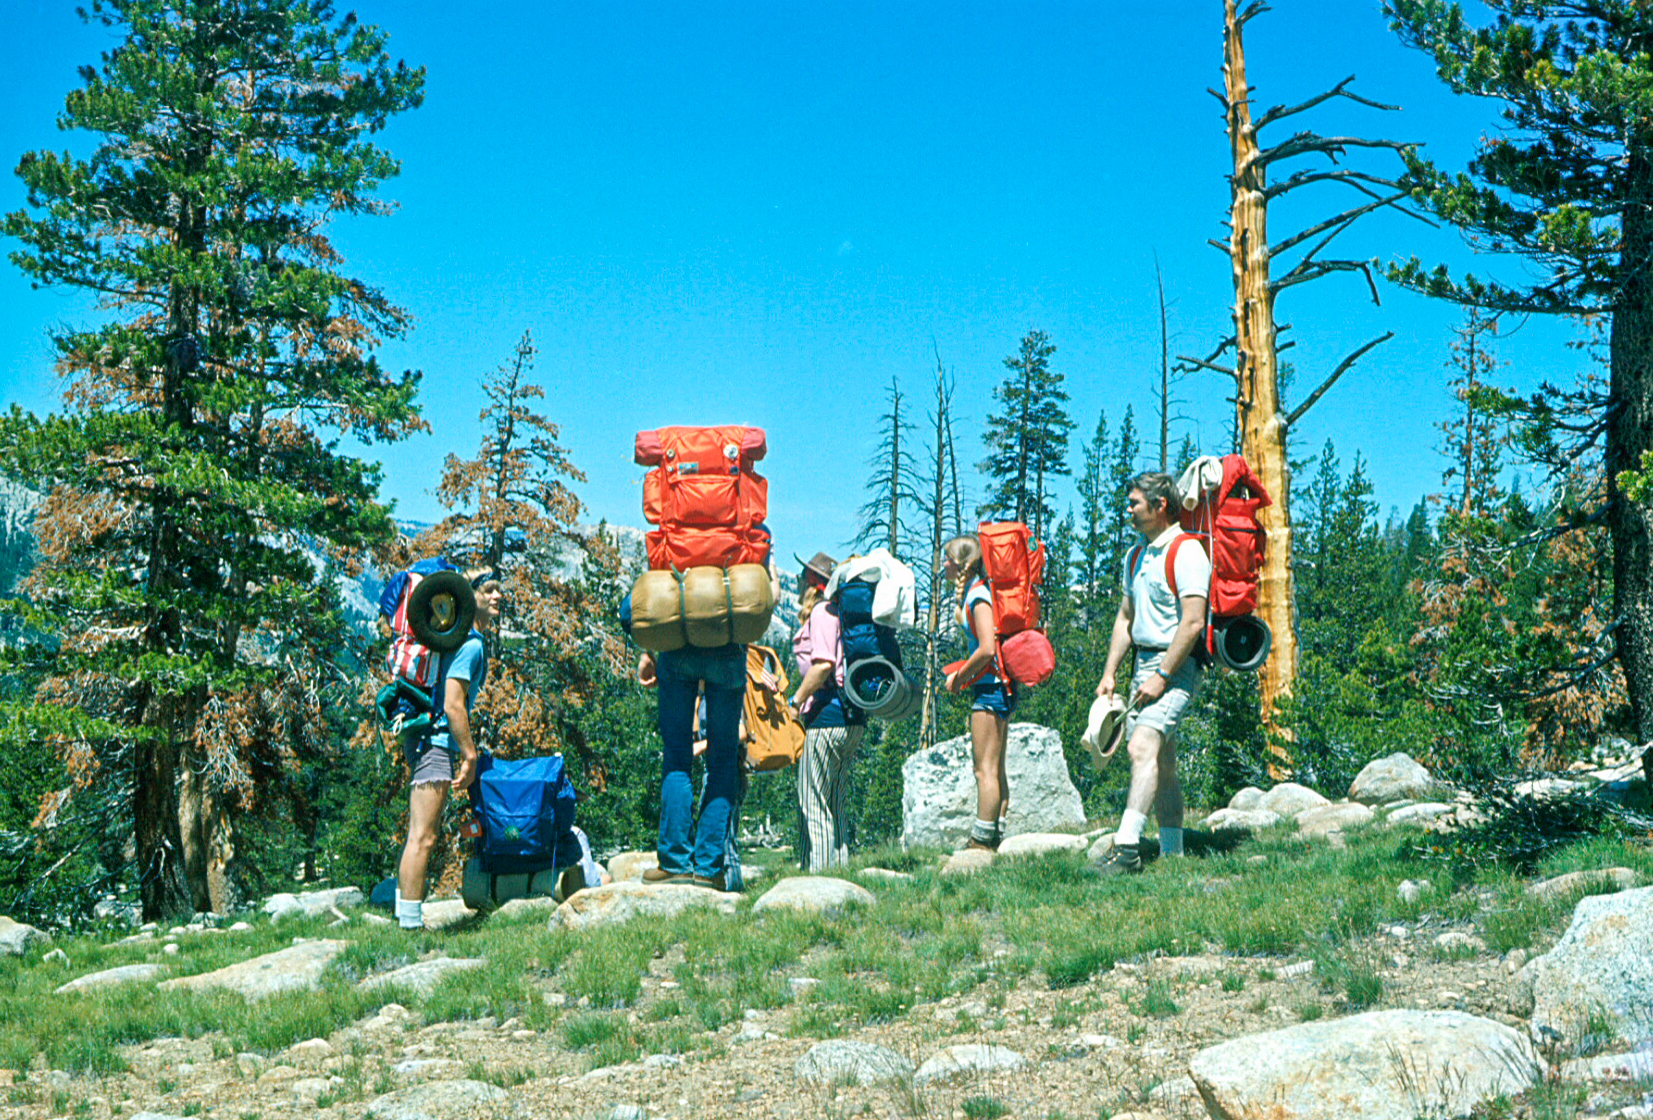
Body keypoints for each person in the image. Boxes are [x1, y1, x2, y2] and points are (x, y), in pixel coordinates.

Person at [1089, 472, 1210, 876]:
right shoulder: (1136, 556)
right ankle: (1173, 854)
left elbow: (1193, 622)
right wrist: (1110, 672)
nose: (1128, 510)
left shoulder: (1187, 552)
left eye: (1135, 503)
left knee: (1140, 748)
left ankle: (1126, 849)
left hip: (1175, 666)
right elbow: (1126, 617)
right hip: (1144, 666)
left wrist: (1162, 675)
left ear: (1160, 506)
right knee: (1162, 760)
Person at [396, 570, 504, 930]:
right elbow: (453, 704)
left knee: (418, 833)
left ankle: (403, 915)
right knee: (423, 836)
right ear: (469, 597)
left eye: (498, 590)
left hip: (422, 738)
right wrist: (469, 754)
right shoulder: (469, 645)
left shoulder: (451, 640)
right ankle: (409, 925)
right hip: (436, 742)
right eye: (488, 590)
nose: (497, 596)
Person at [788, 551, 866, 872]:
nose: (798, 582)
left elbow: (822, 666)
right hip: (851, 716)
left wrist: (795, 703)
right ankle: (840, 873)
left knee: (814, 801)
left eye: (802, 576)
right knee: (834, 802)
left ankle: (818, 877)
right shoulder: (842, 613)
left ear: (811, 582)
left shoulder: (822, 612)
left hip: (825, 719)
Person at [941, 534, 1012, 851]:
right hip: (997, 687)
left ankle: (982, 840)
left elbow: (986, 649)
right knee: (994, 767)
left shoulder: (978, 596)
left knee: (984, 770)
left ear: (962, 565)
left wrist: (959, 677)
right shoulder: (978, 591)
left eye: (947, 559)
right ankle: (996, 833)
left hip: (990, 689)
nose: (943, 564)